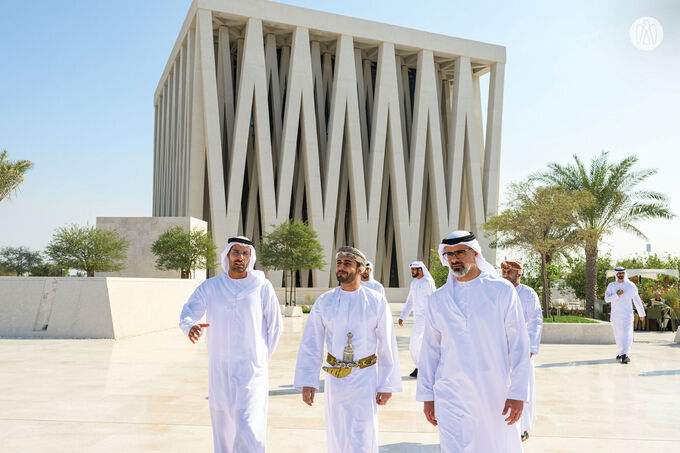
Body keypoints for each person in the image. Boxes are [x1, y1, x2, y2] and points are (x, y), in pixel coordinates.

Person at [417, 231, 530, 453]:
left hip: (492, 392)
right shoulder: (438, 299)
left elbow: (518, 345)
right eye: (449, 254)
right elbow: (430, 350)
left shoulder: (501, 291)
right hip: (450, 393)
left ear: (475, 252)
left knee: (493, 446)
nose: (454, 259)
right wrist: (427, 396)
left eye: (460, 252)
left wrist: (518, 394)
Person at [179, 236, 283, 453]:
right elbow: (190, 311)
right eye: (236, 252)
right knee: (223, 424)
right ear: (227, 255)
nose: (240, 257)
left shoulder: (261, 286)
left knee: (248, 426)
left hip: (251, 371)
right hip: (220, 370)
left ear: (251, 257)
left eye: (245, 253)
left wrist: (260, 358)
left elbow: (275, 327)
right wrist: (190, 325)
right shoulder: (212, 286)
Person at [294, 246, 402, 453]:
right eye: (339, 263)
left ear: (360, 269)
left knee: (363, 432)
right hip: (335, 378)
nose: (341, 268)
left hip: (365, 377)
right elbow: (311, 344)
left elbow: (387, 345)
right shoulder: (325, 301)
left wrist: (386, 384)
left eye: (347, 263)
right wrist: (308, 381)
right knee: (337, 431)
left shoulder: (375, 301)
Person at [501, 260, 543, 443]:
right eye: (503, 271)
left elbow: (535, 320)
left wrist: (532, 348)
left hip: (523, 351)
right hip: (502, 350)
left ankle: (522, 428)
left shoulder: (528, 294)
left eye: (509, 272)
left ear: (519, 274)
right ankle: (503, 426)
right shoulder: (499, 292)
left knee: (523, 389)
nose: (505, 274)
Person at [398, 261, 436, 378]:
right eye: (411, 270)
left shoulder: (428, 282)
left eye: (414, 270)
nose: (412, 272)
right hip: (418, 319)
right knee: (414, 345)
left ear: (420, 270)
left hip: (427, 318)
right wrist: (402, 316)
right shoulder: (414, 283)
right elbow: (410, 301)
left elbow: (435, 300)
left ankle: (423, 368)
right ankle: (421, 367)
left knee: (418, 344)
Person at [604, 267, 645, 364]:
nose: (621, 275)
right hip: (616, 315)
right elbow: (607, 299)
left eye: (622, 273)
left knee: (627, 334)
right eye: (619, 273)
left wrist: (641, 314)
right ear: (616, 274)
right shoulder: (611, 286)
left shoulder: (631, 286)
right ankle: (621, 353)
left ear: (625, 274)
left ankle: (625, 354)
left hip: (628, 314)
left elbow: (637, 300)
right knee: (618, 335)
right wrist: (616, 295)